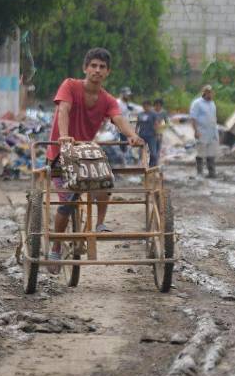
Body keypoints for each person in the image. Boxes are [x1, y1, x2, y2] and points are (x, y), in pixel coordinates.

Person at [47, 48, 144, 272]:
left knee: (105, 178)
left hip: (86, 154)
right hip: (61, 154)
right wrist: (63, 136)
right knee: (68, 200)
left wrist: (132, 136)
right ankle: (56, 246)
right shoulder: (70, 86)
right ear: (85, 68)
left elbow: (119, 119)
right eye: (94, 66)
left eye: (102, 67)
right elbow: (64, 109)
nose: (97, 70)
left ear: (107, 72)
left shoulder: (107, 99)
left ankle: (100, 223)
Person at [189, 84, 218, 178]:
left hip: (212, 132)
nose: (210, 95)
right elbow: (193, 118)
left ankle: (211, 172)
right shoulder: (197, 103)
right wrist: (196, 131)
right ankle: (200, 172)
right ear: (204, 93)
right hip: (201, 132)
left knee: (211, 153)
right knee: (200, 153)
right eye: (208, 92)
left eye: (212, 93)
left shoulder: (212, 103)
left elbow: (213, 117)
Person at [136, 99, 164, 168]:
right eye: (144, 106)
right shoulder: (140, 114)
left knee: (153, 153)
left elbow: (157, 124)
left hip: (151, 136)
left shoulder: (153, 114)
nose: (145, 107)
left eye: (146, 106)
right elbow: (138, 124)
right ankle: (142, 166)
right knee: (141, 152)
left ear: (149, 106)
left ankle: (152, 165)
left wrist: (158, 134)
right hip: (142, 135)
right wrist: (135, 133)